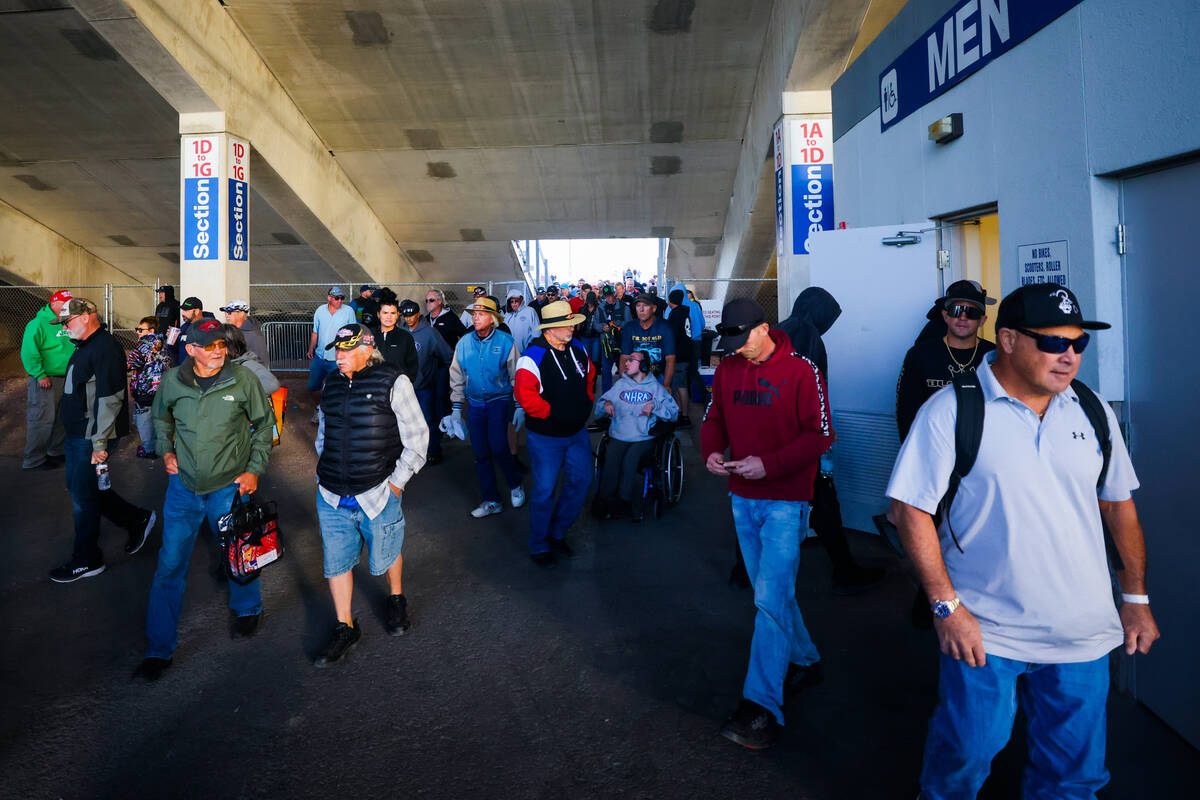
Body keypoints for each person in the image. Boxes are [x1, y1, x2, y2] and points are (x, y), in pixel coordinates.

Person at [886, 284, 1160, 799]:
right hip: (986, 633)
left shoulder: (1091, 410)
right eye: (1055, 343)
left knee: (1073, 780)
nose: (1070, 356)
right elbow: (910, 510)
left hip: (1082, 634)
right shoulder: (953, 410)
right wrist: (947, 609)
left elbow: (1117, 504)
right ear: (1007, 339)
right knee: (962, 764)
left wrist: (1137, 599)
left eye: (1079, 344)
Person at [701, 298, 832, 749]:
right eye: (730, 343)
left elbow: (821, 435)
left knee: (770, 599)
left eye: (743, 340)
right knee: (769, 593)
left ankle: (761, 705)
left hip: (785, 500)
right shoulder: (728, 370)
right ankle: (807, 660)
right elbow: (713, 418)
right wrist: (712, 451)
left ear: (764, 328)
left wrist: (769, 464)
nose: (736, 350)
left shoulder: (802, 370)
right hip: (742, 496)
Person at [137, 318, 274, 682]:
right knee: (169, 565)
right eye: (210, 346)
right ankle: (159, 647)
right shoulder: (172, 382)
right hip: (182, 490)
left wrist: (254, 470)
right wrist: (165, 450)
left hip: (228, 487)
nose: (218, 352)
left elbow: (265, 425)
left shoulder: (242, 380)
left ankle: (247, 609)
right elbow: (161, 418)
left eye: (222, 345)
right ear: (192, 349)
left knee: (239, 553)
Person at [311, 324, 428, 666]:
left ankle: (395, 598)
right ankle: (345, 625)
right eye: (337, 350)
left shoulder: (394, 380)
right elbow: (324, 433)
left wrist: (396, 484)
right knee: (335, 563)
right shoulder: (331, 382)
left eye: (347, 350)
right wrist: (325, 467)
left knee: (388, 551)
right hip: (331, 494)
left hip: (378, 491)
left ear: (367, 349)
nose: (339, 357)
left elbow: (418, 437)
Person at [777, 287, 885, 595]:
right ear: (818, 312)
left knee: (768, 498)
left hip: (776, 431)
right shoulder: (807, 334)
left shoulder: (781, 329)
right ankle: (845, 570)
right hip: (801, 433)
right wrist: (821, 428)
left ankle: (742, 571)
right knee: (823, 495)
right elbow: (807, 385)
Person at [48, 298, 157, 583]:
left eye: (67, 321)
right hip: (80, 435)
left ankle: (87, 559)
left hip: (90, 436)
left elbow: (110, 399)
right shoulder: (86, 345)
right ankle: (135, 519)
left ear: (86, 316)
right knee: (82, 489)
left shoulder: (104, 347)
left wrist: (99, 444)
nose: (65, 328)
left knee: (83, 498)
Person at [513, 300, 596, 565]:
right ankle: (539, 544)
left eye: (572, 323)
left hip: (577, 434)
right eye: (566, 324)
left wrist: (585, 404)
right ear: (550, 329)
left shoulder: (578, 348)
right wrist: (554, 415)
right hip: (545, 438)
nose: (572, 328)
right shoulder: (532, 356)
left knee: (581, 481)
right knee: (545, 491)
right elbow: (525, 396)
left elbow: (590, 377)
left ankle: (558, 533)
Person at [443, 296, 525, 518]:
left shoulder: (507, 342)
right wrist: (457, 408)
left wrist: (519, 405)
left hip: (499, 400)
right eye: (474, 314)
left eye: (480, 314)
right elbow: (456, 375)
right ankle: (492, 501)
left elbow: (516, 375)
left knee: (498, 445)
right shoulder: (464, 343)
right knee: (480, 452)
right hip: (476, 404)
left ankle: (515, 483)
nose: (475, 318)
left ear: (493, 319)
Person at [896, 279, 997, 441]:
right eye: (956, 310)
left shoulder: (994, 355)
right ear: (945, 316)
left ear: (982, 320)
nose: (963, 317)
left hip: (984, 450)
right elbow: (906, 411)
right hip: (934, 447)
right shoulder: (920, 355)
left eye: (972, 313)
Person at [592, 350, 678, 521]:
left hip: (643, 438)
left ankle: (623, 502)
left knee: (631, 459)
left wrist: (656, 408)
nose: (626, 363)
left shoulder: (656, 389)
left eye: (632, 360)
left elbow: (673, 414)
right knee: (611, 459)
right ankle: (605, 501)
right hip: (619, 434)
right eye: (627, 360)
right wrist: (606, 404)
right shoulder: (620, 386)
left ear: (644, 365)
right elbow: (598, 410)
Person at [21, 289, 74, 471]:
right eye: (65, 303)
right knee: (42, 418)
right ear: (54, 303)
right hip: (46, 378)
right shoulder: (38, 324)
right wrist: (40, 374)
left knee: (61, 417)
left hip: (67, 377)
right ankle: (33, 459)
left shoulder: (67, 321)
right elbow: (29, 352)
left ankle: (55, 451)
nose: (68, 306)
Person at [401, 298, 453, 464]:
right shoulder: (400, 331)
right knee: (405, 422)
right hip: (404, 387)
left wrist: (440, 378)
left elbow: (448, 356)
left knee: (428, 420)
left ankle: (434, 450)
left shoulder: (430, 333)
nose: (408, 319)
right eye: (405, 316)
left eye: (411, 315)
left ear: (418, 315)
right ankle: (411, 452)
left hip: (424, 387)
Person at [306, 286, 356, 422]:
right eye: (337, 298)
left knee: (338, 389)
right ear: (329, 298)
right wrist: (311, 348)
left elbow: (353, 333)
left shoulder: (348, 311)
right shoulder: (320, 311)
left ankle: (336, 416)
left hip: (338, 359)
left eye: (342, 298)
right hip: (320, 356)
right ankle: (318, 408)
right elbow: (315, 332)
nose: (340, 301)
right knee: (312, 387)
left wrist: (349, 354)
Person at [126, 316, 173, 458]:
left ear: (151, 330)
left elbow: (130, 363)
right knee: (161, 418)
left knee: (144, 419)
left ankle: (149, 449)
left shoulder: (143, 344)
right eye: (137, 329)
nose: (138, 332)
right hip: (163, 386)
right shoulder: (163, 342)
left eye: (141, 329)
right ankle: (163, 447)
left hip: (146, 389)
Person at [620, 295, 675, 388]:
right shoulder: (629, 328)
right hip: (636, 377)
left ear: (653, 308)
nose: (641, 309)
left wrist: (666, 384)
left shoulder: (665, 327)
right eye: (638, 306)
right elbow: (624, 358)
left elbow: (670, 358)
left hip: (659, 376)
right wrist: (624, 383)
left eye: (645, 305)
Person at [223, 324, 280, 395]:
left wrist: (237, 394)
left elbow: (271, 384)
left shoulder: (247, 364)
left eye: (220, 344)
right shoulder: (221, 364)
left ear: (230, 345)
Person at [372, 298, 419, 383]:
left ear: (398, 315)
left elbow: (413, 366)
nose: (389, 317)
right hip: (373, 387)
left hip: (397, 388)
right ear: (379, 314)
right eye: (385, 313)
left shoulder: (406, 337)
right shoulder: (369, 335)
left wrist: (404, 384)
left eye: (393, 313)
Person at [592, 284, 628, 393]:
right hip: (606, 344)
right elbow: (595, 324)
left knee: (623, 370)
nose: (608, 298)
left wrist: (616, 326)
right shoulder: (600, 308)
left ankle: (624, 394)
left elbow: (628, 323)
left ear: (614, 294)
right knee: (606, 370)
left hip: (620, 343)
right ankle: (606, 395)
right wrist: (602, 328)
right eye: (606, 296)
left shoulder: (623, 307)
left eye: (610, 295)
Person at [666, 288, 694, 428]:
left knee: (680, 386)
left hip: (679, 354)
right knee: (679, 385)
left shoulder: (676, 314)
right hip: (686, 352)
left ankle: (684, 417)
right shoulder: (685, 312)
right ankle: (680, 414)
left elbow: (673, 335)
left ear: (670, 301)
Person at [219, 299, 268, 365]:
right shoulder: (232, 331)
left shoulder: (254, 335)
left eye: (230, 312)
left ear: (241, 314)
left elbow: (262, 361)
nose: (227, 315)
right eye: (226, 312)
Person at [171, 296, 215, 365]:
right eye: (183, 310)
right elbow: (175, 351)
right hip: (183, 371)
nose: (183, 314)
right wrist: (172, 341)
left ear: (197, 311)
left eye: (186, 311)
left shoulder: (212, 327)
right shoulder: (184, 327)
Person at [503, 288, 539, 354]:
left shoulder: (530, 311)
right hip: (509, 353)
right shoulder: (507, 314)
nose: (514, 304)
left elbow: (537, 332)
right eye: (511, 302)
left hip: (526, 353)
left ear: (521, 300)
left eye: (516, 301)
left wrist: (531, 349)